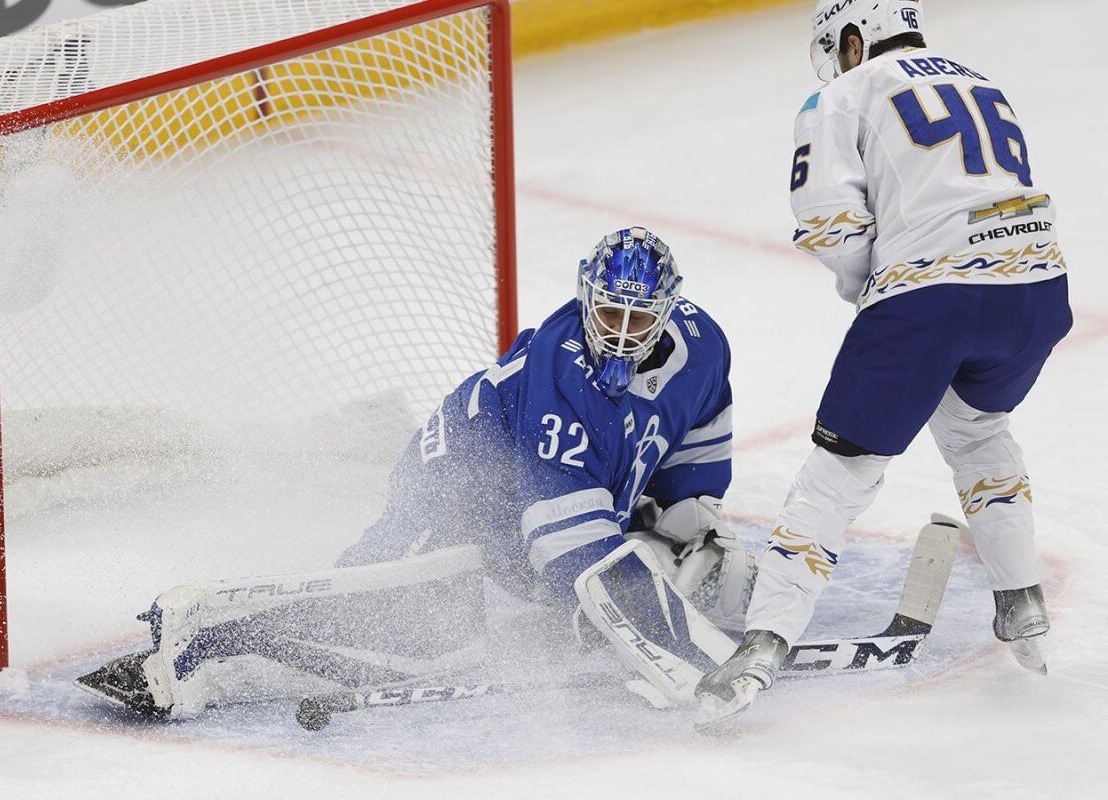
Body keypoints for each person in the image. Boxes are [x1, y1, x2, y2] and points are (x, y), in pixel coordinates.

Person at [77, 227, 754, 719]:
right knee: (406, 626)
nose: (623, 333)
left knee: (631, 578)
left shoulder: (704, 346)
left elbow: (696, 441)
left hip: (546, 504)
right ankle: (191, 654)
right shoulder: (561, 383)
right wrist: (697, 659)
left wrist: (684, 518)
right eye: (610, 312)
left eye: (641, 317)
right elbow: (569, 551)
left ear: (670, 309)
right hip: (456, 485)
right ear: (586, 296)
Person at [695, 0, 1073, 725]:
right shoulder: (978, 77)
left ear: (851, 36)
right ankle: (1022, 602)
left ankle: (763, 646)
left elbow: (831, 223)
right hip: (1038, 291)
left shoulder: (840, 92)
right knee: (976, 431)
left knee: (834, 479)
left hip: (932, 301)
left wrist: (874, 288)